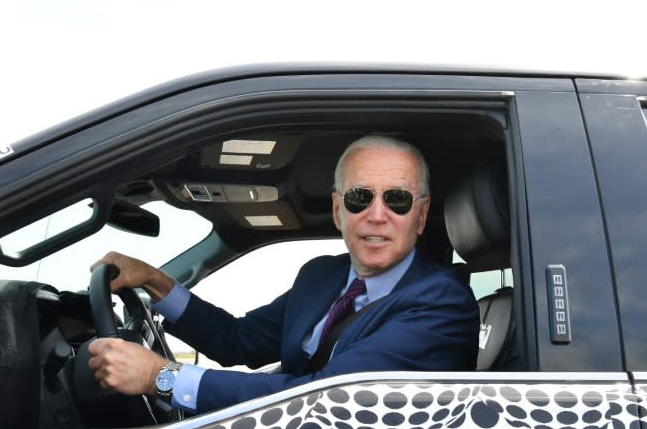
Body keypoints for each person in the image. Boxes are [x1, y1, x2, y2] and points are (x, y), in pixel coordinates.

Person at [88, 135, 480, 414]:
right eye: (360, 197)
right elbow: (236, 341)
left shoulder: (443, 305)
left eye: (397, 199)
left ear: (422, 215)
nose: (377, 215)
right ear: (337, 210)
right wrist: (155, 280)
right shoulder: (321, 277)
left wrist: (162, 376)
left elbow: (322, 400)